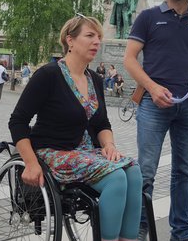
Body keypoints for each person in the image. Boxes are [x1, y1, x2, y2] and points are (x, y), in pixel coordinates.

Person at [9, 15, 142, 241]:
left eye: (99, 37)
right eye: (90, 36)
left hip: (85, 153)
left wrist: (109, 145)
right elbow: (18, 121)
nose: (97, 42)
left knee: (134, 172)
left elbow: (102, 123)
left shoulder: (95, 80)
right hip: (54, 152)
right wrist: (30, 164)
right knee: (116, 177)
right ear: (70, 41)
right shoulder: (48, 75)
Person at [123, 0, 188, 241]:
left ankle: (181, 233)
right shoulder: (148, 18)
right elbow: (129, 59)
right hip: (153, 105)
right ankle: (139, 231)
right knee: (145, 170)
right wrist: (152, 87)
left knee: (185, 171)